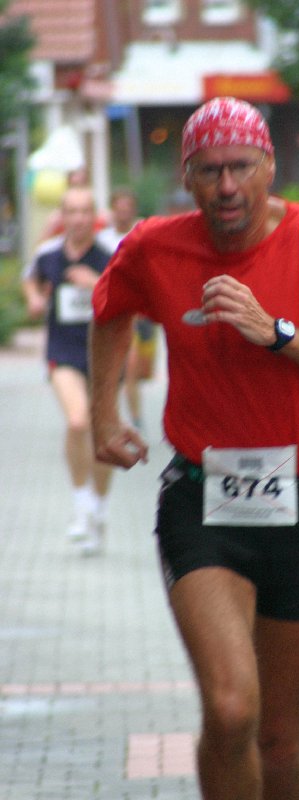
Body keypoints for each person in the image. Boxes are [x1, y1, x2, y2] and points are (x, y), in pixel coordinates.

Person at [89, 96, 299, 800]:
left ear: (269, 167)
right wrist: (103, 416)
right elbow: (110, 310)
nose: (226, 186)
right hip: (202, 501)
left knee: (281, 742)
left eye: (240, 167)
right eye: (209, 170)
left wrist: (277, 333)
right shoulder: (154, 246)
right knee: (232, 709)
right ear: (187, 178)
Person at [22, 185, 113, 556]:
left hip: (103, 354)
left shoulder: (109, 256)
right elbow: (30, 278)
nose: (78, 219)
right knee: (78, 422)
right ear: (62, 216)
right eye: (71, 211)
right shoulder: (48, 254)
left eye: (84, 211)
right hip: (62, 352)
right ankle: (82, 505)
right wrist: (34, 298)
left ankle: (100, 508)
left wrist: (95, 284)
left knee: (104, 435)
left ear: (94, 216)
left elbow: (129, 298)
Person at [97, 187, 156, 431]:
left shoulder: (143, 232)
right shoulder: (101, 240)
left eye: (127, 208)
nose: (123, 213)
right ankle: (129, 417)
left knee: (144, 371)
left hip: (143, 312)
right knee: (127, 366)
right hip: (117, 312)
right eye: (118, 208)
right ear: (112, 210)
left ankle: (131, 413)